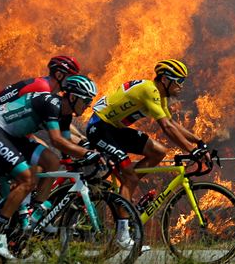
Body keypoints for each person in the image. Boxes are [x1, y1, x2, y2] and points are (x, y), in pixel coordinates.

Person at [86, 59, 209, 247]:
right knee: (129, 178)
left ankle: (129, 179)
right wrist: (192, 151)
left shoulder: (160, 95)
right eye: (179, 81)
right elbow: (166, 127)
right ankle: (122, 235)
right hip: (99, 128)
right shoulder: (150, 90)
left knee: (158, 151)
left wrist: (199, 143)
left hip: (114, 129)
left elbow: (174, 124)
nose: (181, 86)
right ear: (165, 80)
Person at [0, 75, 102, 259]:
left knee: (52, 162)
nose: (87, 105)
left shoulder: (65, 114)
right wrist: (88, 155)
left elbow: (67, 143)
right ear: (73, 97)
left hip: (15, 137)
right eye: (86, 101)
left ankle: (36, 215)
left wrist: (83, 156)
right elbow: (57, 140)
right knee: (27, 179)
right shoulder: (52, 104)